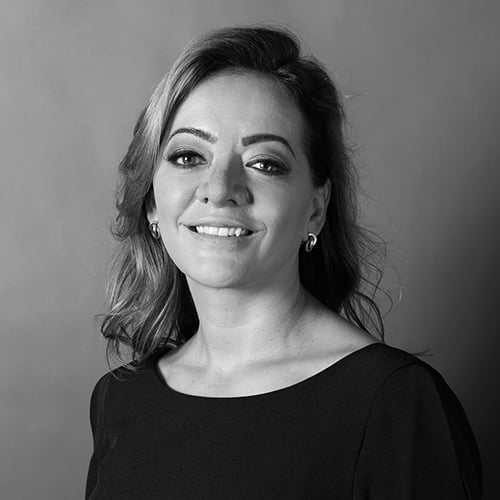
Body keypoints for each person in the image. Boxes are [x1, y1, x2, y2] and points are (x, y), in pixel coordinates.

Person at [85, 26, 482, 499]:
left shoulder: (394, 404)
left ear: (315, 207)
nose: (220, 188)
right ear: (151, 201)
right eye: (189, 156)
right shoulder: (119, 400)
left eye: (264, 163)